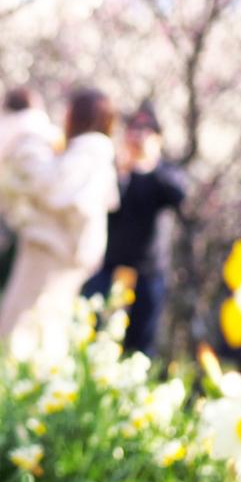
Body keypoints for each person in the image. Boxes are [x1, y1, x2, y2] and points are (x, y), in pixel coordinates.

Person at [0, 87, 119, 358]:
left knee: (22, 324)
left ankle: (12, 387)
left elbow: (54, 189)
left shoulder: (89, 152)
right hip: (62, 251)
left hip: (52, 249)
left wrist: (30, 152)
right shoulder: (94, 153)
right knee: (46, 324)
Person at [82, 102, 185, 356]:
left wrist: (148, 164)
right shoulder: (115, 168)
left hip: (148, 272)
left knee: (140, 345)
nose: (138, 136)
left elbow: (179, 197)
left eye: (146, 130)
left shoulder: (165, 173)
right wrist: (123, 170)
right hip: (109, 266)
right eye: (133, 129)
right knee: (91, 335)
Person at [0, 86, 62, 234]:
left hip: (18, 195)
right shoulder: (40, 122)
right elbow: (61, 147)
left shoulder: (2, 129)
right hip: (46, 187)